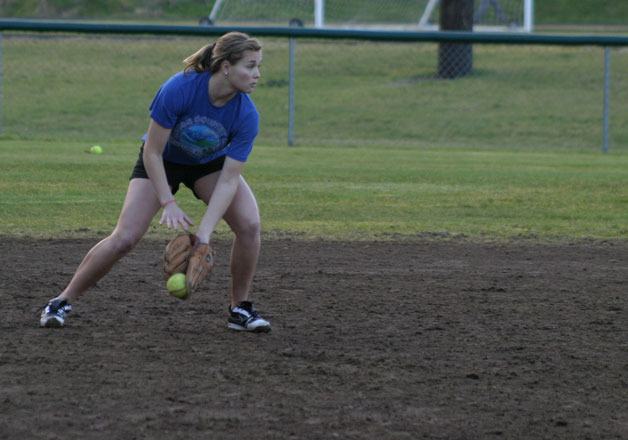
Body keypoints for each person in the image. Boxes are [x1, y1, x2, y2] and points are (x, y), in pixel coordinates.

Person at [39, 32, 271, 333]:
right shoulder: (181, 88)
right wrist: (168, 201)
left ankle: (239, 308)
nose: (257, 75)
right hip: (163, 161)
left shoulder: (246, 114)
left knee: (250, 226)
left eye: (258, 67)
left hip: (208, 165)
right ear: (226, 66)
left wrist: (203, 234)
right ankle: (61, 301)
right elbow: (153, 151)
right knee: (125, 238)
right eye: (250, 66)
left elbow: (229, 179)